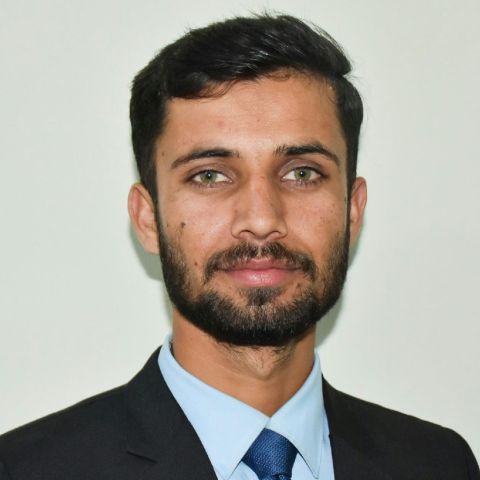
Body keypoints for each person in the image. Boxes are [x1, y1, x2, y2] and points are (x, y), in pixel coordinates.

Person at [0, 13, 478, 480]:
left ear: (353, 211)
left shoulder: (439, 464)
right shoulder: (26, 469)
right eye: (210, 176)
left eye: (302, 173)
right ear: (147, 218)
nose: (262, 220)